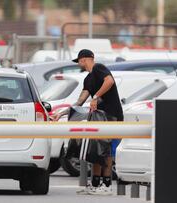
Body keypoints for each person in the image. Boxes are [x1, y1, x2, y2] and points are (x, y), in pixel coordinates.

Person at [51, 49, 123, 195]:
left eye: (79, 61)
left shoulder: (99, 68)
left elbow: (109, 81)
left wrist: (95, 97)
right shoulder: (88, 79)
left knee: (107, 151)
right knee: (95, 151)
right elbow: (80, 101)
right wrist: (62, 113)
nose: (78, 64)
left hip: (112, 116)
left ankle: (107, 186)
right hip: (99, 117)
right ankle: (95, 185)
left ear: (84, 59)